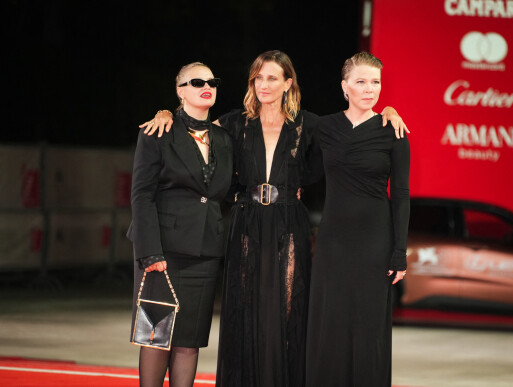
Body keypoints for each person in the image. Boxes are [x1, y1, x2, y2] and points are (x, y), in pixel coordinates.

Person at [141, 50, 409, 387]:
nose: (264, 84)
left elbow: (354, 125)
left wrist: (389, 111)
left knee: (287, 315)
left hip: (289, 225)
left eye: (272, 77)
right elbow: (195, 129)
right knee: (243, 313)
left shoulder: (310, 124)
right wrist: (166, 112)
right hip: (246, 224)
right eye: (259, 77)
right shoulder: (234, 122)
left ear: (288, 83)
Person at [305, 52, 410, 387]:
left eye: (376, 82)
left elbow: (402, 196)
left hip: (375, 243)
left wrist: (400, 251)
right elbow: (300, 167)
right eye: (361, 82)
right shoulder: (323, 127)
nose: (370, 89)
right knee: (329, 323)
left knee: (369, 327)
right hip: (333, 240)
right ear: (344, 87)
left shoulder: (392, 130)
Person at [127, 62, 233, 387]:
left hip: (205, 253)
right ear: (180, 90)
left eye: (212, 81)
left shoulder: (225, 138)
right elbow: (141, 195)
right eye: (197, 81)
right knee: (157, 337)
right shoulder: (158, 131)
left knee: (190, 339)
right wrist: (149, 252)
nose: (207, 86)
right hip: (163, 252)